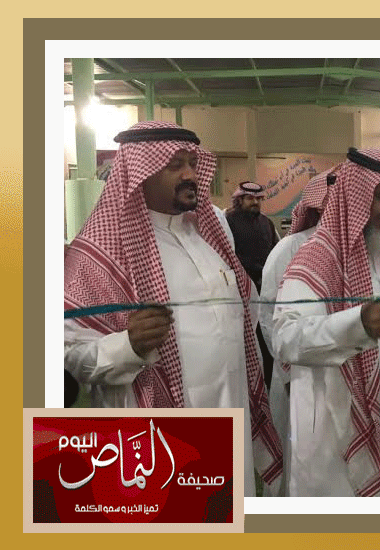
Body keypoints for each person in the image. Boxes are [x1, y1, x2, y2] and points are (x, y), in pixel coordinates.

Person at [64, 121, 282, 496]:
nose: (190, 174)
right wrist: (127, 346)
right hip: (154, 435)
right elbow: (68, 352)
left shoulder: (209, 238)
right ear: (142, 170)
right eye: (174, 164)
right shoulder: (98, 256)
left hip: (231, 418)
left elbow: (246, 318)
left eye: (192, 163)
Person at [272, 148, 380, 497]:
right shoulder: (317, 258)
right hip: (334, 429)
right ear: (355, 196)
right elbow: (286, 338)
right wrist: (358, 324)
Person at [258, 167, 336, 495]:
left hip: (345, 380)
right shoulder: (290, 248)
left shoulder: (365, 250)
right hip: (298, 374)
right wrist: (288, 369)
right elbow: (268, 315)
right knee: (298, 458)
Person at [226, 181, 280, 291]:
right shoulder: (227, 221)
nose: (255, 202)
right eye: (250, 198)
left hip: (265, 282)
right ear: (240, 200)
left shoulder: (267, 222)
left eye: (259, 198)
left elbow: (276, 251)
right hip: (239, 283)